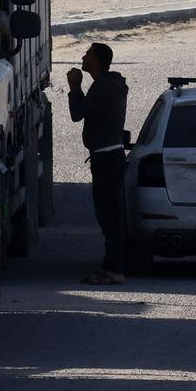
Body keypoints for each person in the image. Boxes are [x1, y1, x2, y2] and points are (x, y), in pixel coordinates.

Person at [68, 42, 129, 284]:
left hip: (107, 159)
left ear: (95, 61)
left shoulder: (103, 86)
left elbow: (77, 113)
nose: (82, 57)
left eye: (87, 55)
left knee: (109, 216)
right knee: (109, 214)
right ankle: (111, 265)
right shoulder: (109, 85)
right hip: (108, 157)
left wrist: (74, 87)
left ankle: (115, 269)